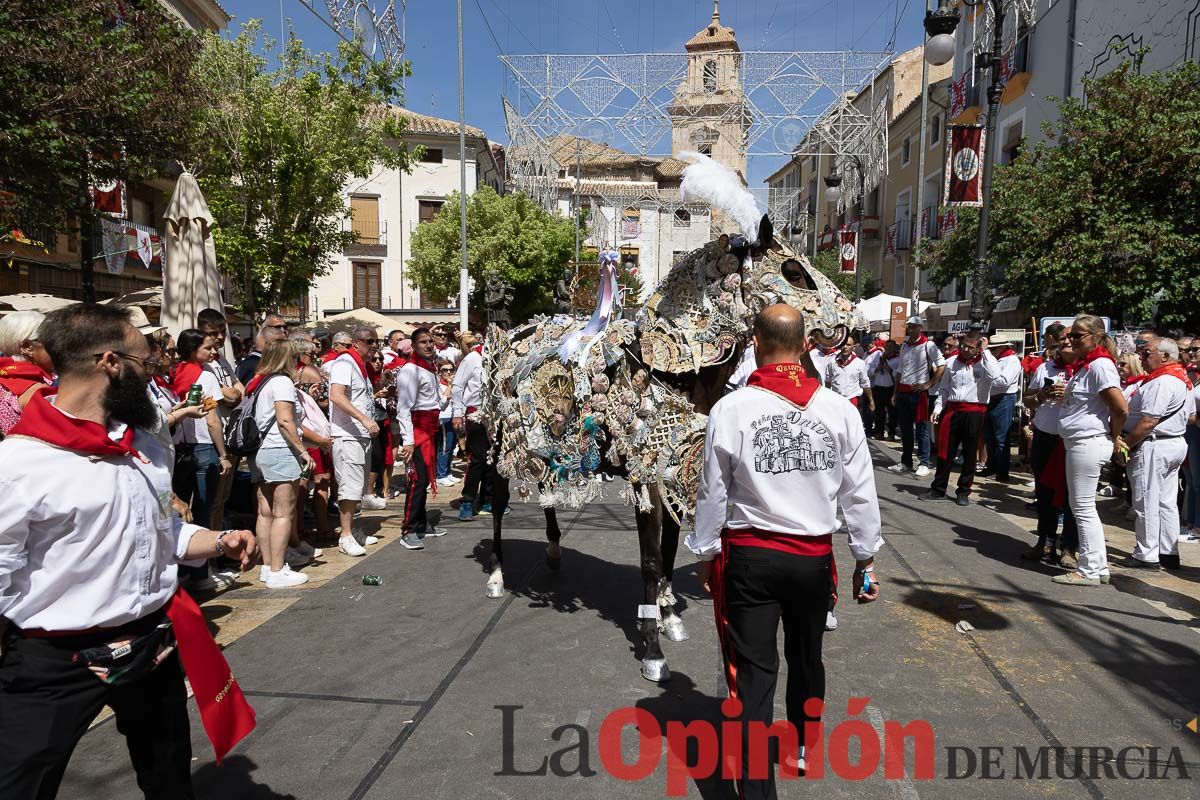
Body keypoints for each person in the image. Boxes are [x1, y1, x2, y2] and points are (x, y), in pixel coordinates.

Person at [0, 303, 257, 799]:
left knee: (168, 779)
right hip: (55, 658)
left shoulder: (146, 443)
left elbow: (163, 532)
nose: (156, 370)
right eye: (145, 361)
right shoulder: (19, 463)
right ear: (110, 363)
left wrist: (218, 541)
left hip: (151, 644)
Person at [687, 303, 882, 799]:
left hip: (751, 556)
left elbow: (712, 490)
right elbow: (860, 491)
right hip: (812, 559)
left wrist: (706, 552)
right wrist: (865, 557)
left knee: (755, 674)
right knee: (806, 653)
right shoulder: (839, 410)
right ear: (803, 345)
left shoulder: (731, 409)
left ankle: (757, 789)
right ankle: (801, 740)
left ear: (756, 341)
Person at [1052, 314, 1127, 586]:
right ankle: (1097, 565)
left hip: (1088, 441)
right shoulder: (1087, 366)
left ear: (1095, 337)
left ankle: (1089, 569)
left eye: (1078, 336)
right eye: (1070, 336)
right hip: (1080, 441)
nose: (1071, 340)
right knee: (1082, 507)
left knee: (1082, 508)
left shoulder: (1099, 366)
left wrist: (1114, 434)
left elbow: (1120, 408)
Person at [1119, 338, 1191, 571]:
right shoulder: (1180, 379)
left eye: (1147, 352)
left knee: (1146, 501)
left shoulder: (1163, 382)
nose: (1142, 356)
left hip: (1155, 445)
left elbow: (1148, 421)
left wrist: (1125, 445)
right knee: (1165, 502)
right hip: (1170, 443)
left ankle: (1146, 554)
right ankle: (1167, 552)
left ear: (1165, 357)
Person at [171, 329, 232, 591]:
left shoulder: (174, 374)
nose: (213, 352)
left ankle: (183, 571)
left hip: (179, 449)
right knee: (205, 510)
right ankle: (203, 574)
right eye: (207, 348)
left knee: (182, 513)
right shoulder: (205, 375)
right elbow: (212, 419)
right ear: (194, 350)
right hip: (204, 447)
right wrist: (223, 454)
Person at [923, 332, 1001, 506]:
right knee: (945, 451)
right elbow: (944, 389)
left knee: (969, 452)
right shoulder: (951, 363)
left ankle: (964, 490)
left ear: (978, 348)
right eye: (964, 345)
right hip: (953, 410)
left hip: (974, 412)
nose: (966, 349)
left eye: (971, 347)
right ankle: (938, 488)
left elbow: (996, 377)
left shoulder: (986, 362)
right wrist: (938, 408)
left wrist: (985, 352)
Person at [1023, 331, 1080, 566]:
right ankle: (1045, 542)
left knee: (1072, 497)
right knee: (1044, 492)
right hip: (1046, 437)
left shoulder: (1088, 370)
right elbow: (1027, 399)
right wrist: (1042, 395)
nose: (1065, 342)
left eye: (1071, 339)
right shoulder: (1045, 368)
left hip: (1071, 441)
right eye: (1062, 340)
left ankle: (1069, 548)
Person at [328, 329, 381, 556]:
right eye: (369, 341)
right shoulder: (344, 364)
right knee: (348, 488)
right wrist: (364, 418)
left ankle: (353, 529)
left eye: (376, 341)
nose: (374, 345)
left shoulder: (360, 366)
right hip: (347, 434)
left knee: (357, 486)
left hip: (360, 435)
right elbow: (336, 395)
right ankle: (345, 535)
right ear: (356, 342)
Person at [394, 328, 448, 549]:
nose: (428, 345)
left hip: (431, 428)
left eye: (430, 342)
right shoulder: (410, 370)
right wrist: (408, 440)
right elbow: (403, 408)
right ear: (413, 346)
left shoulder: (430, 368)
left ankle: (421, 522)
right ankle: (408, 529)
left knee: (425, 479)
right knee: (417, 480)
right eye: (422, 342)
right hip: (418, 432)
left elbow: (433, 401)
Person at [197, 309, 245, 532]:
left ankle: (218, 547)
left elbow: (238, 390)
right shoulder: (203, 361)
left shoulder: (222, 359)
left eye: (221, 332)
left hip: (231, 433)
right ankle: (211, 555)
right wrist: (231, 395)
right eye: (212, 332)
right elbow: (226, 395)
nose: (218, 337)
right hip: (213, 438)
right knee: (213, 500)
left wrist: (232, 395)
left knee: (223, 497)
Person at [888, 316, 945, 478]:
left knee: (922, 429)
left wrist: (929, 384)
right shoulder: (905, 346)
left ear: (920, 328)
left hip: (918, 392)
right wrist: (895, 392)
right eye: (909, 327)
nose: (910, 329)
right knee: (905, 429)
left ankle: (924, 462)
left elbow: (941, 365)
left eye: (914, 327)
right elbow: (900, 370)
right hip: (903, 392)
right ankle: (906, 461)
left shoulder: (929, 345)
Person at [452, 331, 488, 520]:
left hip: (496, 416)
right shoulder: (473, 358)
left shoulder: (502, 358)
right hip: (476, 414)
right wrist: (457, 413)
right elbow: (457, 386)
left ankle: (488, 499)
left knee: (495, 460)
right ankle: (467, 500)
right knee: (477, 460)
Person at [0, 310, 55, 431]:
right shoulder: (39, 392)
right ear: (27, 347)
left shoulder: (3, 376)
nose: (58, 347)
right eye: (52, 341)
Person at [980, 336, 1022, 482]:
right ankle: (991, 467)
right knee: (990, 437)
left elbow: (1004, 381)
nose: (992, 351)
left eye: (994, 348)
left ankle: (1002, 472)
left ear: (1003, 347)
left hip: (1003, 398)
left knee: (1001, 438)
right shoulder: (996, 359)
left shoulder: (1012, 360)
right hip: (991, 399)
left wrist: (988, 378)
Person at [823, 335, 874, 414]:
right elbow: (828, 381)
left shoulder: (860, 363)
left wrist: (871, 401)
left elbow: (865, 383)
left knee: (852, 425)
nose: (845, 347)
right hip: (837, 400)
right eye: (843, 344)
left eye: (848, 345)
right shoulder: (831, 362)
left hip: (853, 400)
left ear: (853, 347)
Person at [236, 313, 289, 384]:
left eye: (285, 327)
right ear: (265, 330)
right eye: (278, 327)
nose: (283, 330)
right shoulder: (251, 365)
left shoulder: (274, 362)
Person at [436, 360, 459, 486]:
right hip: (443, 418)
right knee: (444, 447)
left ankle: (448, 472)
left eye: (451, 369)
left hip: (453, 417)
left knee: (451, 446)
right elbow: (441, 404)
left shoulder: (455, 384)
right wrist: (450, 386)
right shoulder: (438, 386)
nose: (448, 372)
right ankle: (441, 474)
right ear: (440, 372)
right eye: (445, 369)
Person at [871, 340, 900, 440]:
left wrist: (890, 369)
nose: (888, 348)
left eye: (890, 346)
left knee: (892, 412)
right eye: (886, 346)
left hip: (890, 388)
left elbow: (900, 373)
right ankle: (879, 432)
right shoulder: (879, 358)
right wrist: (878, 368)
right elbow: (870, 372)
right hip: (879, 387)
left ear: (894, 348)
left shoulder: (898, 359)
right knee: (879, 412)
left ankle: (891, 433)